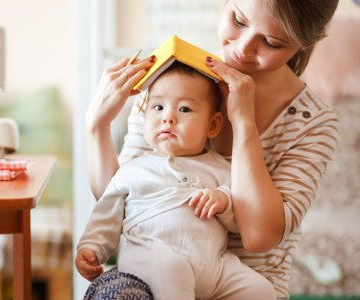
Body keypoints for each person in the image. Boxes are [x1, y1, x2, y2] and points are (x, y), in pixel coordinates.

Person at [84, 0, 340, 299]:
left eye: (271, 42)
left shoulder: (312, 123)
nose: (244, 48)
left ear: (303, 44)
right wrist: (97, 126)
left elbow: (259, 236)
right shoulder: (171, 79)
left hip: (241, 284)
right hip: (155, 276)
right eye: (239, 20)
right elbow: (121, 196)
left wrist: (243, 122)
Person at [76, 62, 276, 299]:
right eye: (158, 107)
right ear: (144, 115)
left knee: (260, 290)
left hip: (214, 266)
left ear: (212, 125)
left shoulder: (223, 170)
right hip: (152, 256)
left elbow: (241, 217)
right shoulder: (132, 170)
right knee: (172, 269)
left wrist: (223, 200)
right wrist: (91, 247)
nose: (168, 118)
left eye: (184, 110)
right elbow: (106, 213)